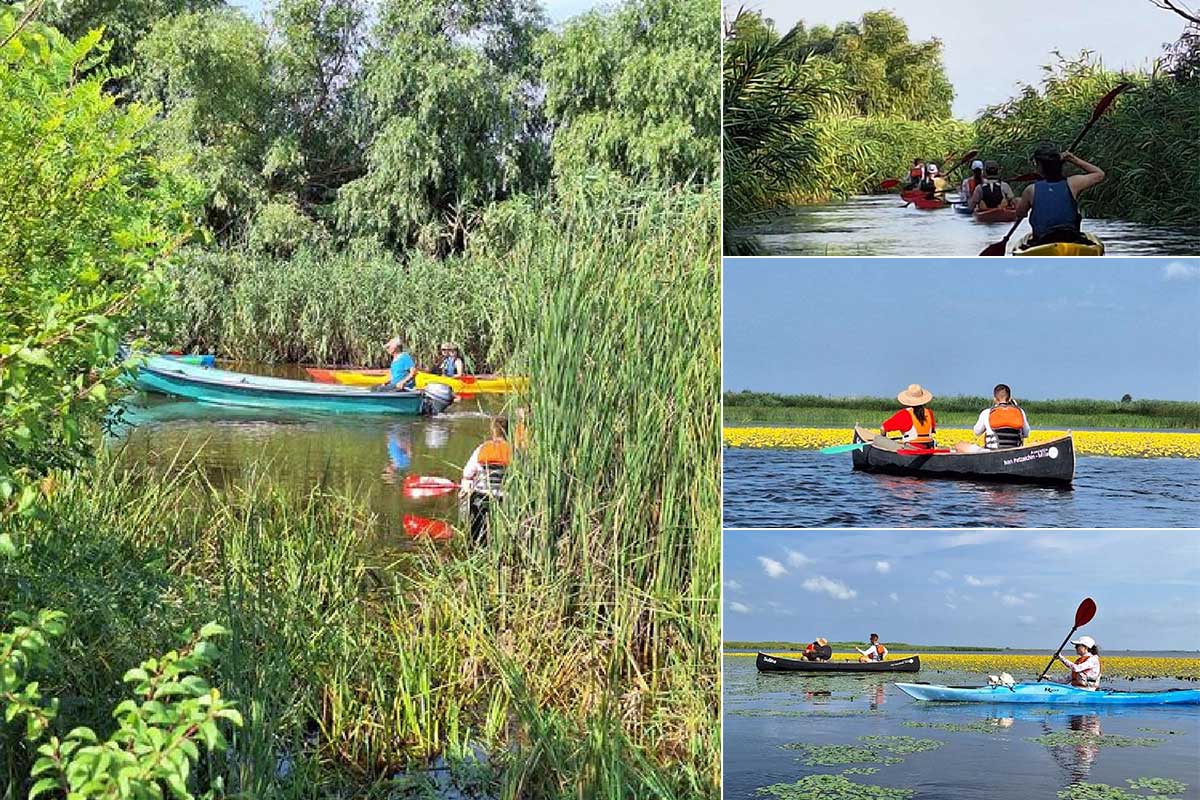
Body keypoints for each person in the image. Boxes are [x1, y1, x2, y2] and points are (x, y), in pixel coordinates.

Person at [1013, 144, 1105, 245]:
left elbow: (1020, 214)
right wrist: (1073, 159)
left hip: (1042, 241)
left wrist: (1018, 203)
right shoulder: (1073, 183)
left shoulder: (1030, 190)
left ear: (1039, 166)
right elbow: (1099, 174)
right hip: (1070, 238)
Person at [460, 417, 512, 542]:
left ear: (493, 431)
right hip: (504, 499)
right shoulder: (513, 451)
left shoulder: (482, 448)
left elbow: (467, 473)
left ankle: (474, 543)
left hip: (481, 497)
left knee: (476, 531)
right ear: (508, 431)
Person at [954, 383, 1031, 453]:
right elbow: (1026, 433)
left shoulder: (986, 413)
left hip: (991, 452)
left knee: (959, 445)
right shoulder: (1020, 411)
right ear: (1010, 398)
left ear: (994, 399)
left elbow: (976, 432)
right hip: (1014, 451)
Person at [879, 384, 937, 450]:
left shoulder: (904, 414)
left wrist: (883, 438)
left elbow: (883, 428)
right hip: (928, 447)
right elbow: (932, 431)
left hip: (911, 448)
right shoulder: (929, 413)